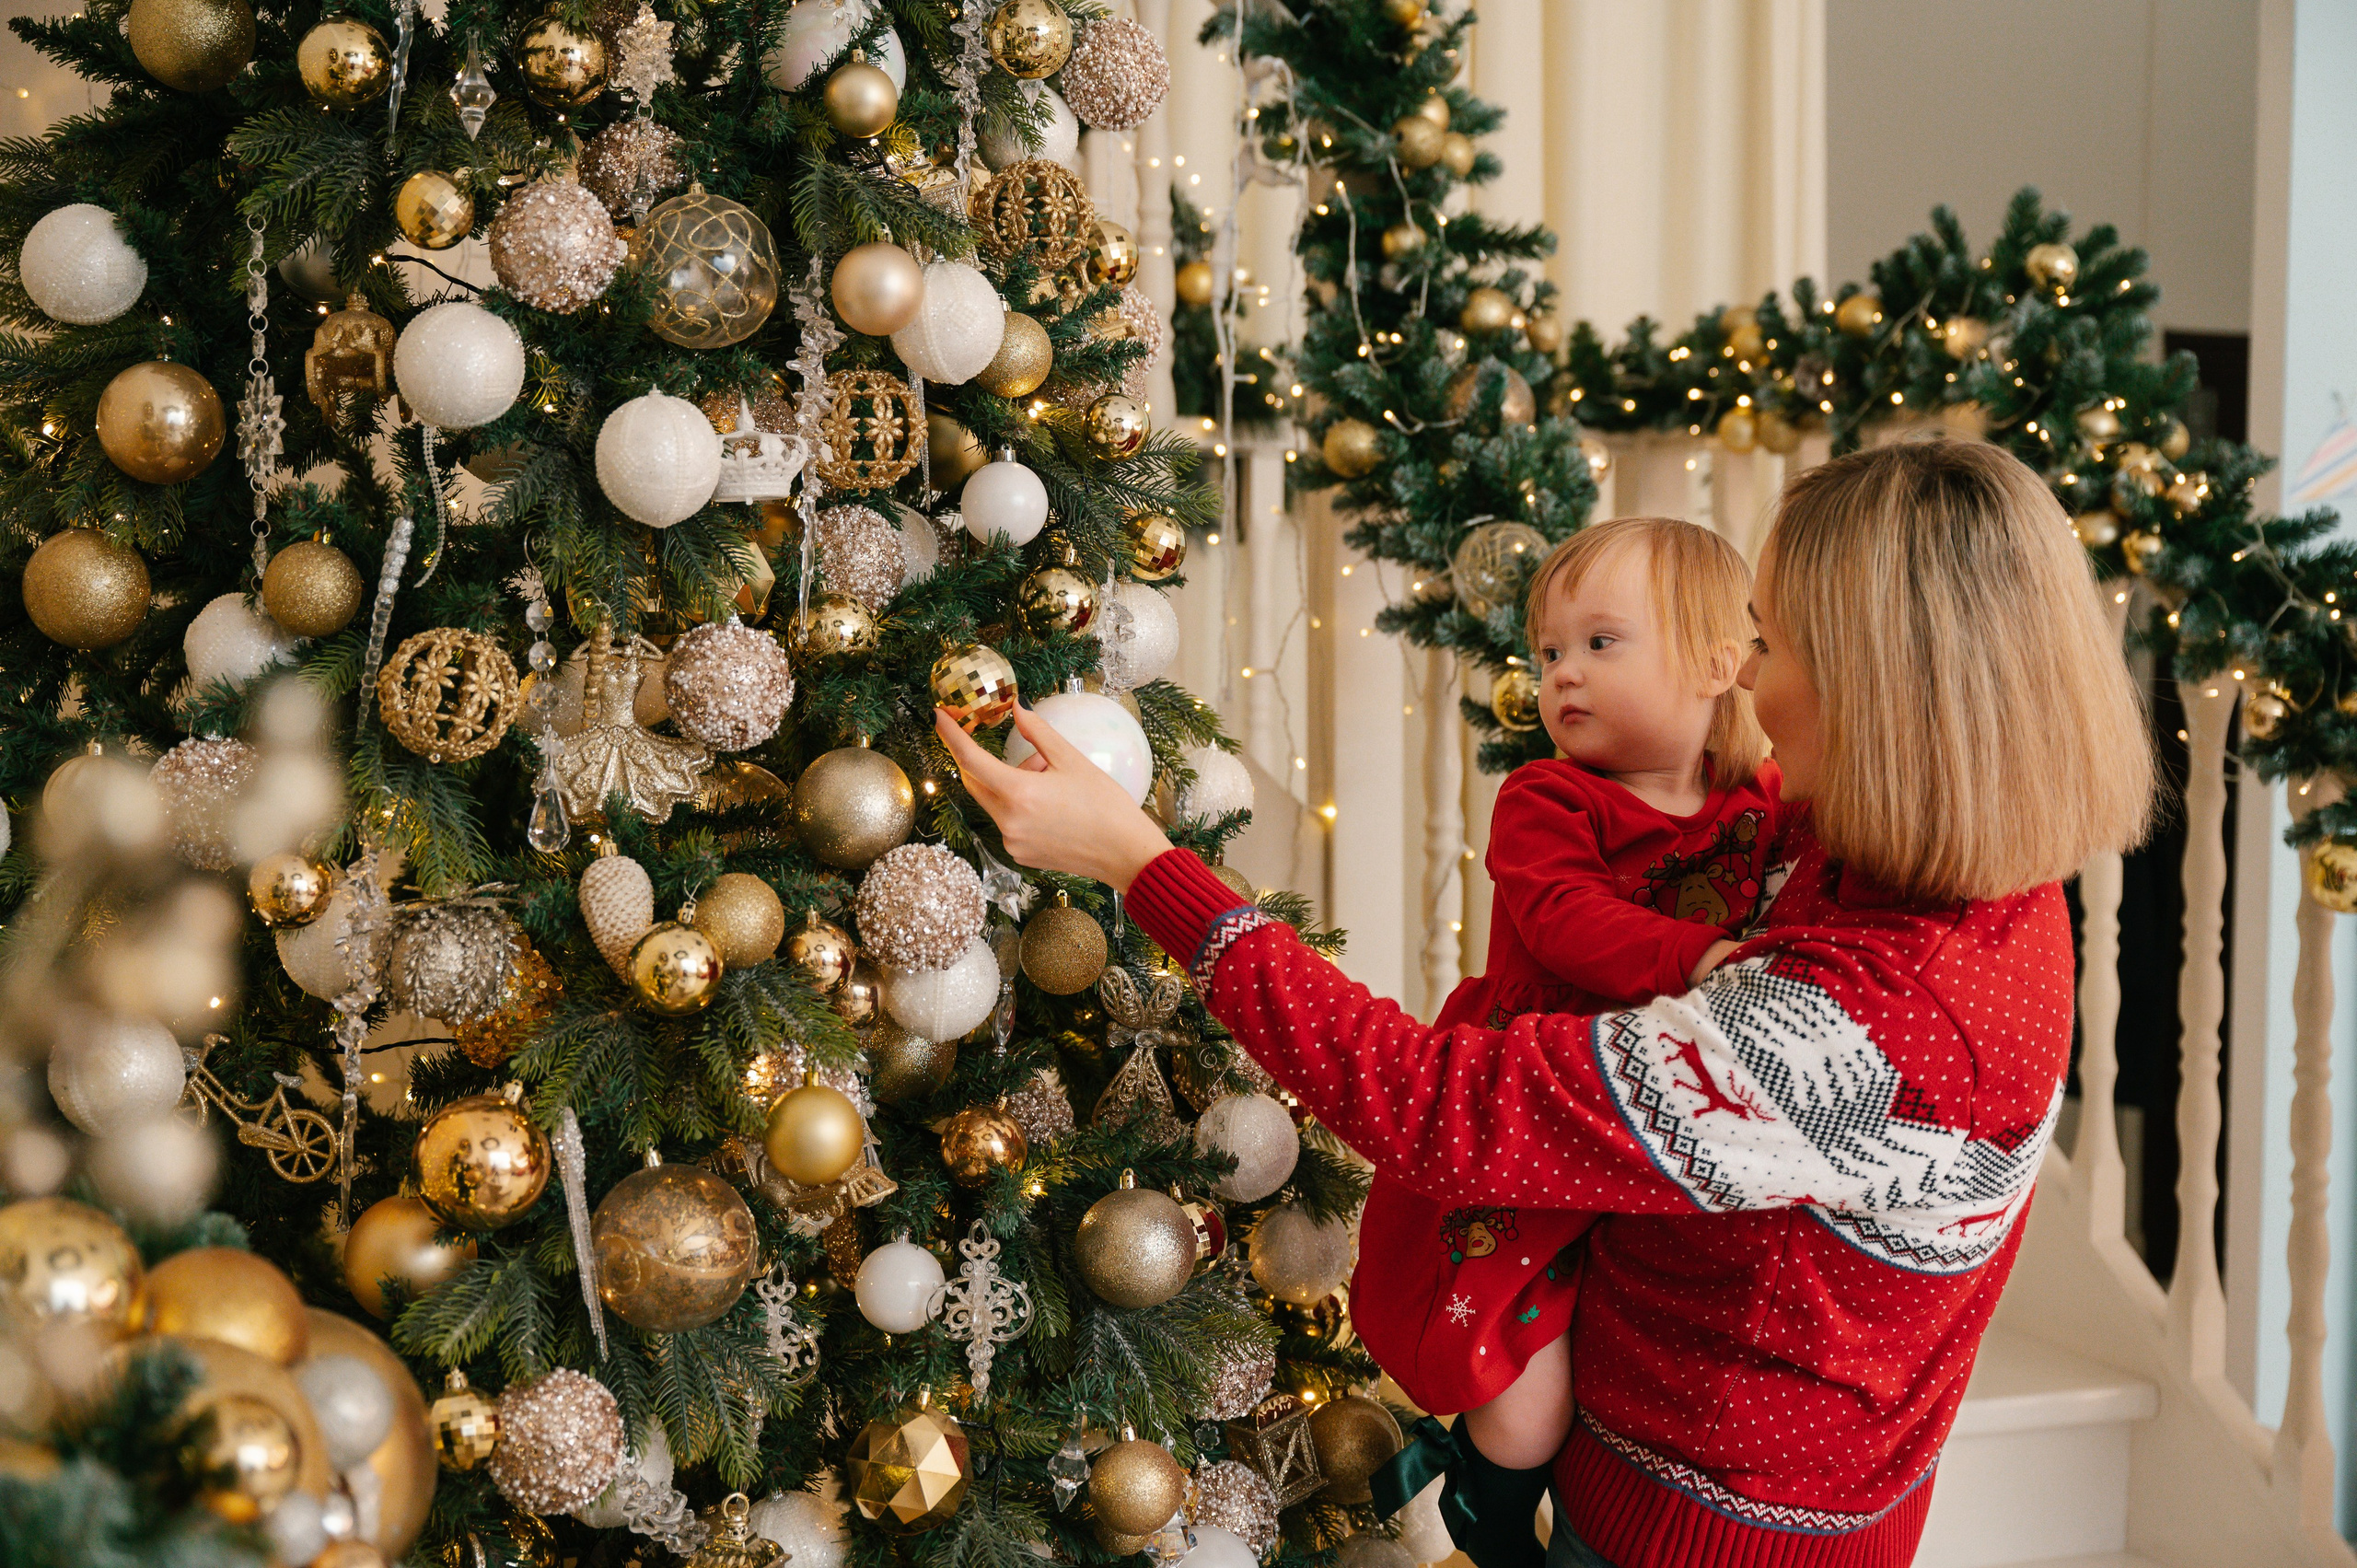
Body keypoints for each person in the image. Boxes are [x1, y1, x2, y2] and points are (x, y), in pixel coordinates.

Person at [936, 439, 2154, 1568]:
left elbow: (1437, 1107)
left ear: (1880, 694)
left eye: (1772, 649)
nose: (1754, 690)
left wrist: (1141, 862)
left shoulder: (1865, 1022)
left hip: (1697, 1533)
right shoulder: (1948, 873)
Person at [1348, 517, 1788, 1568]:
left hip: (1661, 1130)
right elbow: (1560, 918)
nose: (1560, 675)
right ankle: (1489, 1523)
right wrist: (1695, 954)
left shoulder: (1764, 804)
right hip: (1535, 1106)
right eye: (1548, 652)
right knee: (1524, 1387)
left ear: (1717, 664)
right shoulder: (1548, 796)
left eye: (1601, 643)